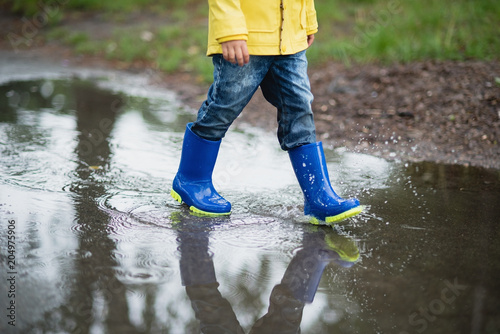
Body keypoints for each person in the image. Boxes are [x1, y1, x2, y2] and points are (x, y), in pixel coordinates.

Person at [171, 0, 362, 223]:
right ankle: (192, 180)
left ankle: (318, 197)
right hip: (244, 40)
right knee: (224, 107)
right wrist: (230, 31)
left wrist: (307, 21)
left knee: (299, 108)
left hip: (290, 38)